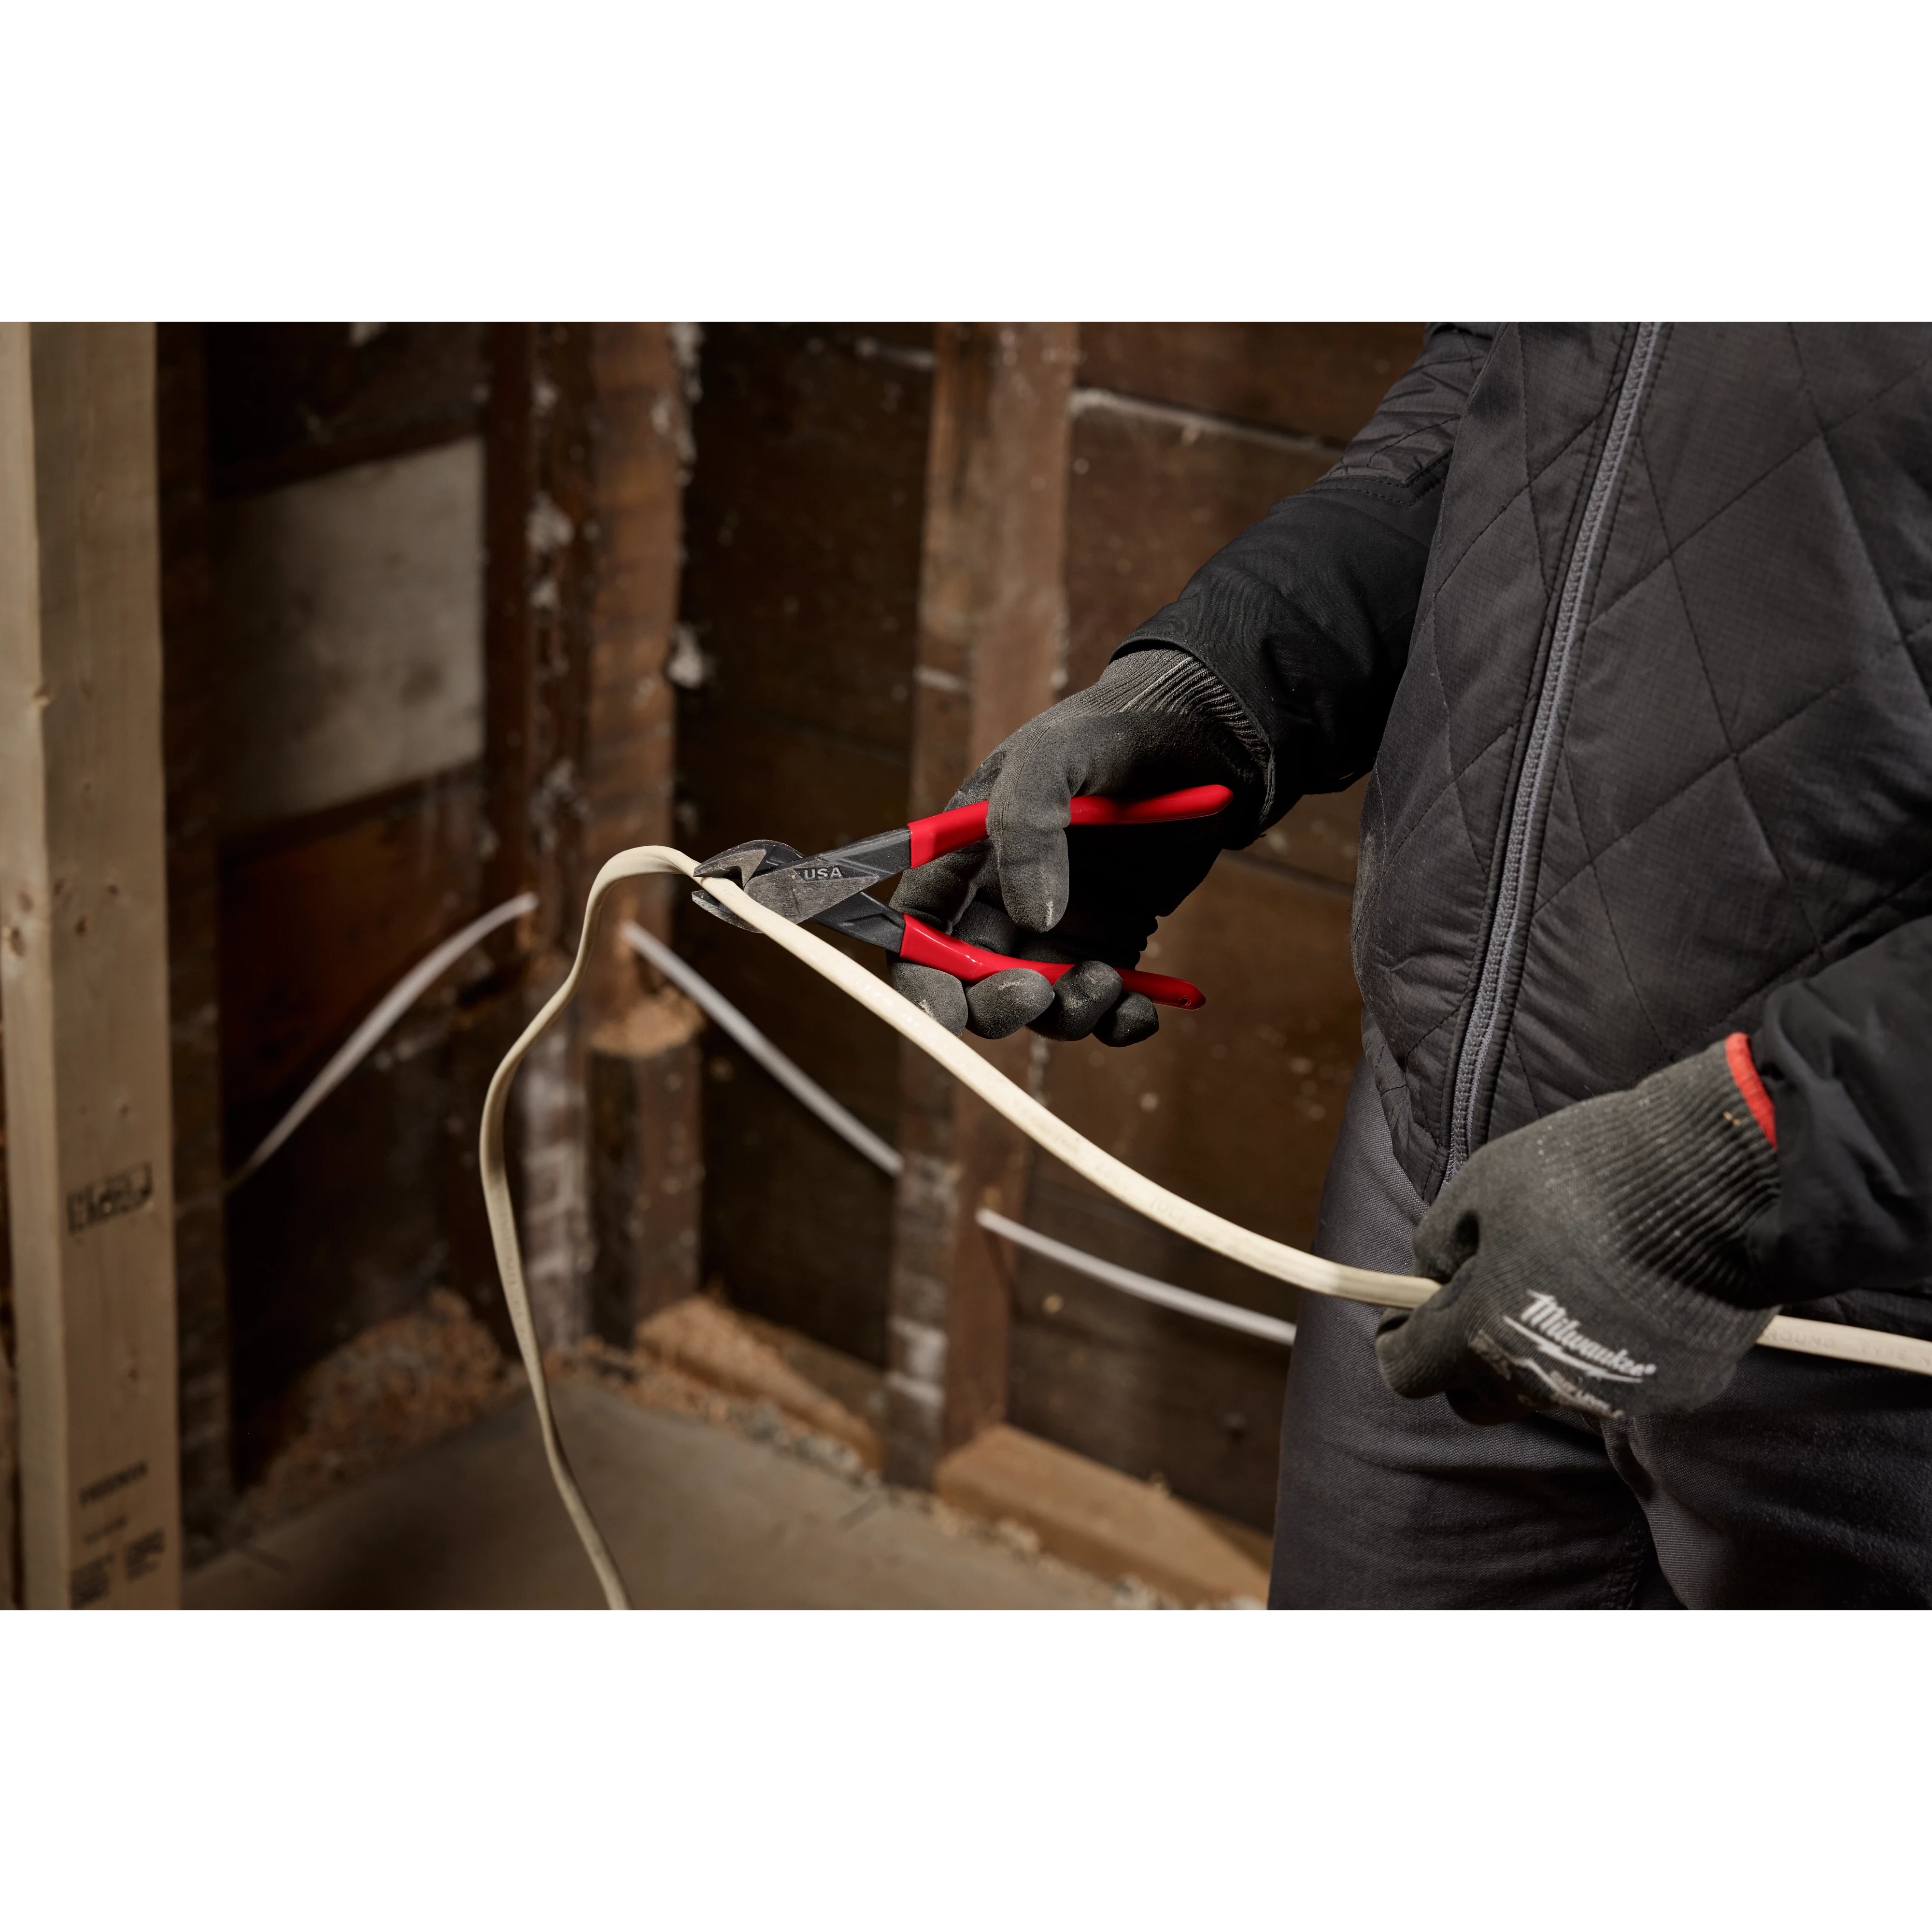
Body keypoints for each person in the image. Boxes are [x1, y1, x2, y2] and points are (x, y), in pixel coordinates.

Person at [888, 321, 1932, 1610]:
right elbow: (1512, 382)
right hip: (1443, 1192)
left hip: (1870, 1321)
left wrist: (1762, 1154)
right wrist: (1229, 680)